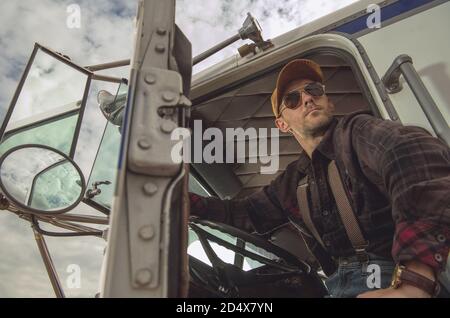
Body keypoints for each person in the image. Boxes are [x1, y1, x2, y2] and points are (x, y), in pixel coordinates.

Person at [189, 59, 450, 298]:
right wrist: (179, 201)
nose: (307, 99)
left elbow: (413, 154)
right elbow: (243, 213)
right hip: (335, 286)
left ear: (328, 101)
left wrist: (414, 282)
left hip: (389, 277)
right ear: (282, 124)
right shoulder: (293, 181)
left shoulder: (356, 132)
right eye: (292, 99)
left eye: (313, 90)